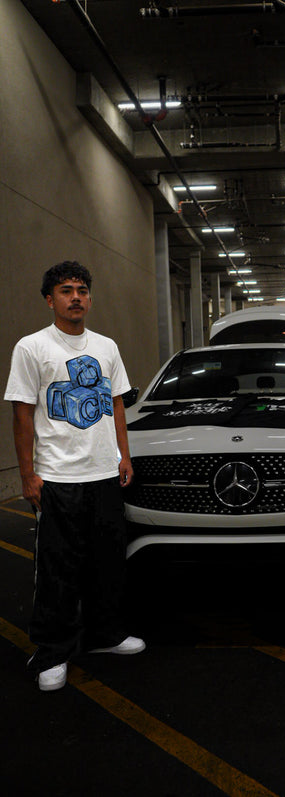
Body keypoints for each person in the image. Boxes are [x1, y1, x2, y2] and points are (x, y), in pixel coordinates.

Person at [4, 261, 145, 691]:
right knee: (57, 569)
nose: (76, 297)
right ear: (50, 300)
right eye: (66, 291)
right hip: (58, 476)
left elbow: (116, 403)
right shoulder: (32, 347)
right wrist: (28, 474)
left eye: (82, 290)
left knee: (106, 563)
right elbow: (22, 413)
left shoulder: (106, 346)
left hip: (104, 473)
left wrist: (123, 455)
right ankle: (53, 651)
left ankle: (105, 634)